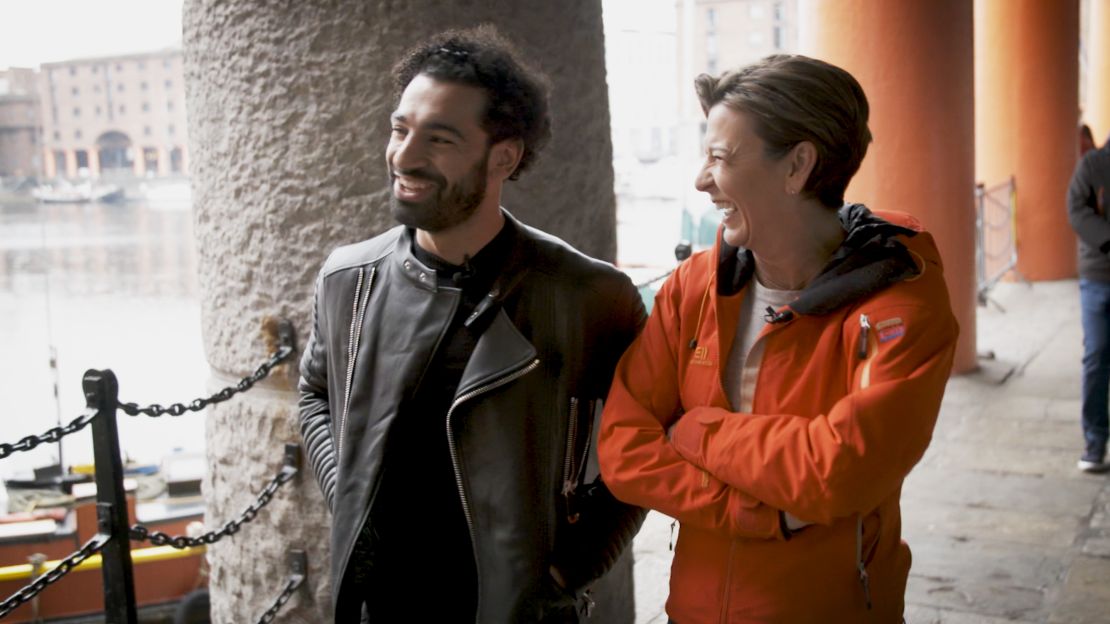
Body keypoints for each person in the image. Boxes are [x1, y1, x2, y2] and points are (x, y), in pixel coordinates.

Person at [298, 26, 646, 623]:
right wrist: (348, 495)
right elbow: (314, 396)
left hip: (518, 609)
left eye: (439, 139)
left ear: (502, 156)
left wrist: (571, 565)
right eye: (400, 129)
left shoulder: (591, 296)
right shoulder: (346, 280)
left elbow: (647, 442)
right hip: (382, 606)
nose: (404, 157)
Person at [597, 55, 959, 622]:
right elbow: (622, 450)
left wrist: (694, 428)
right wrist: (762, 514)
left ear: (798, 167)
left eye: (720, 157)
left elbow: (836, 470)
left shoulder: (899, 304)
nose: (700, 179)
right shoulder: (694, 287)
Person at [1067, 129, 1110, 473]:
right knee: (1097, 355)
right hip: (1098, 277)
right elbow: (1076, 210)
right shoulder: (1092, 166)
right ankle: (1095, 441)